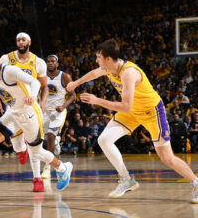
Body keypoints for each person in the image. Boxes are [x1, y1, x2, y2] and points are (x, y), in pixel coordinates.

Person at [66, 39, 198, 202]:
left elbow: (125, 106)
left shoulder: (129, 72)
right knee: (104, 140)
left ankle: (196, 183)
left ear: (108, 59)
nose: (96, 60)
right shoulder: (108, 68)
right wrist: (76, 83)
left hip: (151, 112)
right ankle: (126, 179)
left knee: (166, 158)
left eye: (98, 57)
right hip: (131, 112)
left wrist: (97, 100)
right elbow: (94, 73)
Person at [0, 46, 73, 197]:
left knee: (37, 152)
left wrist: (32, 96)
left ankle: (62, 168)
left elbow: (35, 83)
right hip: (13, 113)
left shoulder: (9, 71)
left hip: (30, 113)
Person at [0, 32, 49, 191]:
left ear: (29, 42)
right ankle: (21, 149)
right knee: (17, 145)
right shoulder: (6, 59)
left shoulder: (38, 62)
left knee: (35, 145)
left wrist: (43, 102)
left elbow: (44, 86)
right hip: (12, 107)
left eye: (23, 39)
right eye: (18, 39)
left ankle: (37, 179)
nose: (20, 42)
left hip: (30, 107)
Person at [41, 55, 75, 179]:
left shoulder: (64, 76)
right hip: (44, 111)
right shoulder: (42, 77)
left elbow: (73, 95)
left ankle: (47, 168)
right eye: (48, 61)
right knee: (43, 140)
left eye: (52, 61)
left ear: (57, 64)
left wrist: (63, 106)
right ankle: (56, 141)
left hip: (58, 112)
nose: (50, 63)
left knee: (50, 136)